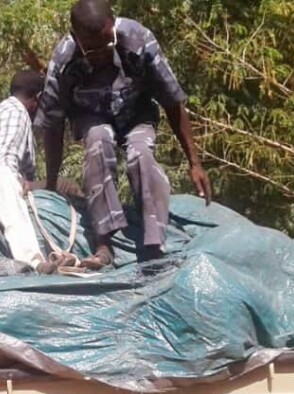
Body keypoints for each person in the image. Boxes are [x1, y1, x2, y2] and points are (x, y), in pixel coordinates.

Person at [36, 0, 212, 270]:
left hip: (136, 113)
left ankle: (154, 246)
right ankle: (103, 244)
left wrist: (195, 163)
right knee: (98, 141)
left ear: (113, 25)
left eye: (108, 43)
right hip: (91, 115)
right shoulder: (63, 60)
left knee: (141, 154)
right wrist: (50, 182)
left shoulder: (138, 39)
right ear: (76, 39)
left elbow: (172, 100)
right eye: (92, 49)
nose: (102, 53)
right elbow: (53, 123)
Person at [0, 69, 52, 272]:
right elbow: (5, 160)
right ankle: (33, 260)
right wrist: (23, 183)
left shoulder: (3, 109)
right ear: (38, 98)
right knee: (5, 176)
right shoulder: (17, 113)